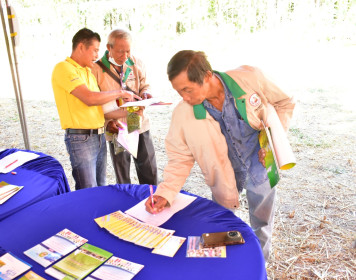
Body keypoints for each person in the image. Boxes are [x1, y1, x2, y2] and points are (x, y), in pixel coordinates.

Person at [145, 50, 295, 261]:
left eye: (188, 90)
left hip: (260, 163)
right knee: (223, 225)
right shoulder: (183, 113)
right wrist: (165, 193)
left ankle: (259, 265)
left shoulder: (251, 79)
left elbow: (284, 102)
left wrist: (272, 142)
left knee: (262, 223)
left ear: (207, 76)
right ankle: (229, 267)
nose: (184, 98)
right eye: (179, 92)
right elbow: (179, 157)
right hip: (222, 174)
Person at [52, 28, 138, 190]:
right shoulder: (64, 68)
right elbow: (90, 98)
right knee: (88, 189)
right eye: (95, 50)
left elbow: (98, 106)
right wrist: (120, 92)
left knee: (101, 187)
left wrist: (118, 118)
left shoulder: (88, 73)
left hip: (99, 137)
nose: (97, 55)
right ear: (81, 47)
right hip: (81, 139)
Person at [91, 29, 158, 185]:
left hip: (138, 122)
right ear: (109, 47)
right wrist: (108, 124)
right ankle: (127, 204)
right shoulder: (96, 70)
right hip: (117, 126)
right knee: (123, 175)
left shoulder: (135, 62)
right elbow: (94, 103)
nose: (125, 56)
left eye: (128, 51)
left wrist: (146, 93)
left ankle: (152, 202)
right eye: (121, 52)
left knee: (149, 170)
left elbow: (144, 84)